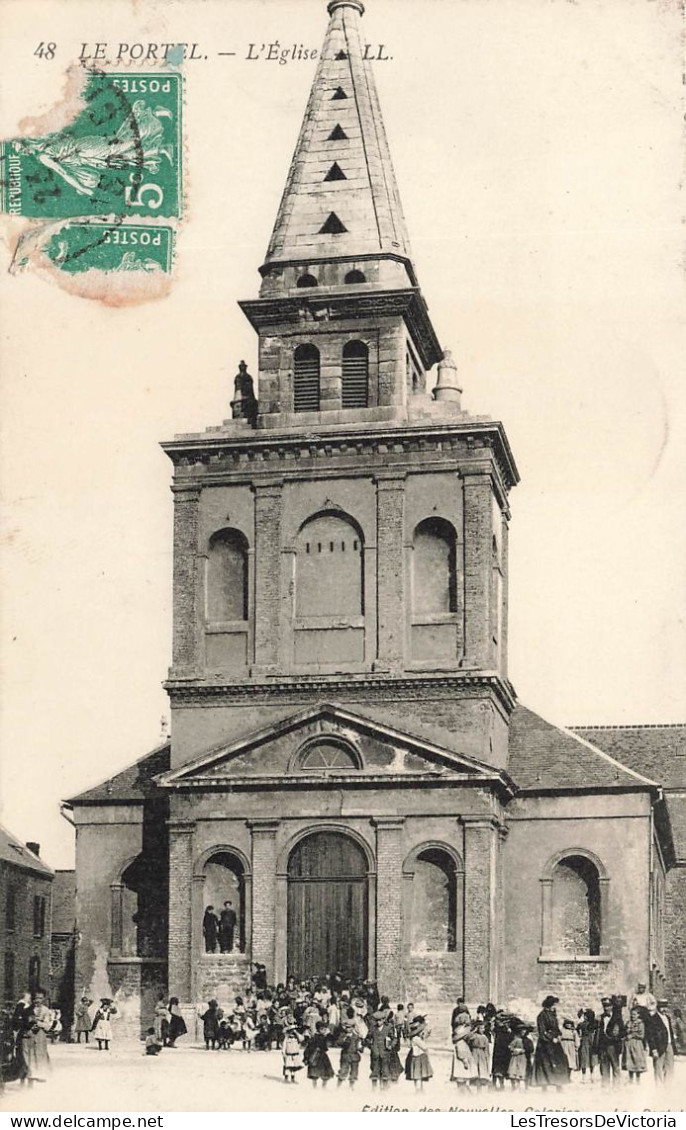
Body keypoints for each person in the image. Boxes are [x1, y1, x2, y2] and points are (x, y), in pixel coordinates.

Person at [534, 996, 569, 1089]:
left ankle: (559, 1085)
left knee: (559, 1063)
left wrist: (559, 1035)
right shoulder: (541, 1016)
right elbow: (542, 1031)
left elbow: (556, 1028)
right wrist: (551, 1038)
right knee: (545, 1064)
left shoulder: (553, 1015)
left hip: (555, 1043)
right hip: (545, 1044)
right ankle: (544, 1086)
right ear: (549, 1005)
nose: (555, 1007)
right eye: (554, 1005)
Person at [645, 1000, 676, 1084]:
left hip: (669, 1045)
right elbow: (650, 1035)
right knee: (658, 1067)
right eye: (662, 1007)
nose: (664, 1009)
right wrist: (654, 1049)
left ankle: (668, 1087)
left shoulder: (667, 1018)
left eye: (665, 1007)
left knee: (669, 1067)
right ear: (658, 1007)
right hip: (659, 1046)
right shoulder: (652, 1019)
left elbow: (670, 1032)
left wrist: (673, 1046)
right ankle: (659, 1089)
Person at [24, 989, 52, 1082]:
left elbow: (48, 1026)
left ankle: (42, 1073)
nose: (38, 1000)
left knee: (40, 1052)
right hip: (30, 1033)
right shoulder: (29, 1008)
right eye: (36, 998)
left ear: (43, 999)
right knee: (30, 1052)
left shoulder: (45, 1010)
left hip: (40, 1034)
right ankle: (31, 1073)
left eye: (40, 998)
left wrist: (37, 1022)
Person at [596, 996, 625, 1086]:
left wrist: (616, 1038)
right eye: (604, 1006)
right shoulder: (600, 1018)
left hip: (613, 1045)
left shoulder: (617, 1018)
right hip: (603, 1045)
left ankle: (616, 1086)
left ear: (612, 1006)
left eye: (608, 1006)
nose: (606, 1008)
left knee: (615, 1065)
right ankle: (605, 1085)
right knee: (604, 1066)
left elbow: (623, 1032)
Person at [304, 1020, 334, 1087]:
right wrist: (306, 1057)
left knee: (324, 1073)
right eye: (323, 1029)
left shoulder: (321, 1036)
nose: (325, 1031)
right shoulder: (316, 1037)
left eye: (325, 1029)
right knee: (318, 1073)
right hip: (316, 1056)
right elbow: (309, 1047)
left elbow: (332, 1039)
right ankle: (317, 1088)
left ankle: (322, 1087)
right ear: (319, 1029)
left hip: (322, 1056)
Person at [337, 1008, 362, 1088]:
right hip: (346, 1056)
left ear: (353, 1027)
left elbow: (360, 1047)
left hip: (354, 1056)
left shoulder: (356, 1036)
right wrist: (344, 1039)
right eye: (347, 1027)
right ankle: (338, 1086)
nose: (348, 1029)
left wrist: (361, 1045)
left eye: (350, 1027)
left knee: (354, 1072)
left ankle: (351, 1087)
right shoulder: (343, 1035)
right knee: (343, 1071)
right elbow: (339, 1043)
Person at [450, 1012, 475, 1088]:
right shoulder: (461, 1041)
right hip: (462, 1056)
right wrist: (464, 1060)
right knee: (462, 1071)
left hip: (460, 1053)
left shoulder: (458, 1029)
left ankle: (462, 1086)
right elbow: (461, 1053)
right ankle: (462, 1087)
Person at [407, 1016, 433, 1090]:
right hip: (418, 1057)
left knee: (419, 1074)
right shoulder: (416, 1039)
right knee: (418, 1074)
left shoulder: (415, 1038)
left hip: (417, 1057)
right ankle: (418, 1089)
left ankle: (419, 1088)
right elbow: (424, 1047)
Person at [624, 1007, 648, 1083]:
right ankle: (630, 1079)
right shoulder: (628, 1023)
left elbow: (642, 1035)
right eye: (631, 1014)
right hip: (629, 1044)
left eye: (634, 1014)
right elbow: (625, 1032)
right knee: (629, 1060)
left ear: (638, 1015)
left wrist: (633, 1035)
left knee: (637, 1061)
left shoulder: (640, 1023)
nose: (632, 1016)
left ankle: (638, 1079)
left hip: (637, 1044)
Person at [467, 1019, 491, 1088]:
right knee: (475, 1068)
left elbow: (486, 1049)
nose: (482, 1030)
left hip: (482, 1054)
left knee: (481, 1069)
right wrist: (474, 1031)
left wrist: (487, 1057)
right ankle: (475, 1083)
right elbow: (468, 1038)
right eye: (481, 1028)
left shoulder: (485, 1037)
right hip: (474, 1053)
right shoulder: (474, 1036)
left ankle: (480, 1086)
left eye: (483, 1028)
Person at [577, 1009, 598, 1082]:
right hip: (590, 1040)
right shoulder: (594, 1023)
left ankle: (584, 1077)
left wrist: (580, 1035)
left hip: (585, 1040)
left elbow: (577, 1028)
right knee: (590, 1058)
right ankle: (591, 1076)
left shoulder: (582, 1024)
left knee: (584, 1058)